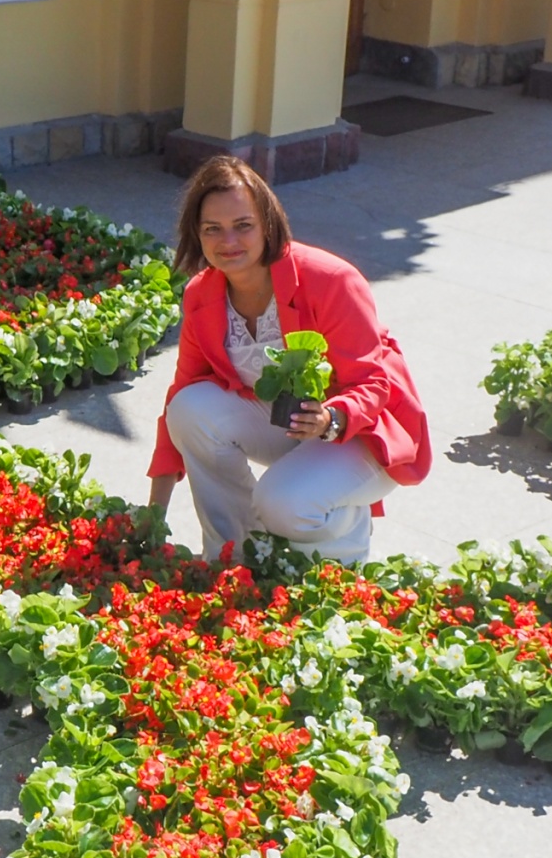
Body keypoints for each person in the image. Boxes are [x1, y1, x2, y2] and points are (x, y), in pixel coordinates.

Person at [147, 155, 429, 563]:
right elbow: (180, 396)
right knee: (189, 408)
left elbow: (373, 384)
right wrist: (154, 513)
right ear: (196, 233)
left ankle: (343, 547)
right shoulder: (201, 294)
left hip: (360, 431)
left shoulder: (331, 279)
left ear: (268, 223)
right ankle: (232, 555)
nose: (228, 241)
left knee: (282, 505)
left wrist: (331, 418)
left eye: (243, 226)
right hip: (290, 427)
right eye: (213, 229)